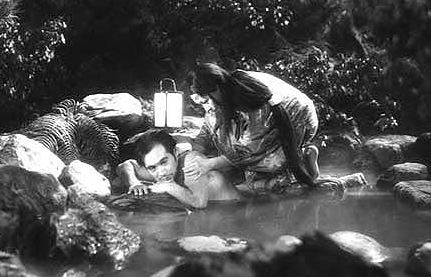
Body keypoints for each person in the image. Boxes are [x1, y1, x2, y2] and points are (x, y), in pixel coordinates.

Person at [185, 62, 320, 190]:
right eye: (201, 102)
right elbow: (210, 126)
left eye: (206, 100)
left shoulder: (248, 99)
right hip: (269, 118)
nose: (206, 106)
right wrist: (196, 150)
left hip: (298, 115)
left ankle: (303, 158)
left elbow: (249, 149)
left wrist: (209, 164)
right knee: (250, 174)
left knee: (270, 167)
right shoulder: (221, 93)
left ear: (216, 89)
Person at [116, 128, 241, 209]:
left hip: (236, 210)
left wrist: (168, 186)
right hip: (215, 213)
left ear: (175, 153)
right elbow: (125, 166)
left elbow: (199, 203)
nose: (161, 172)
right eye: (152, 168)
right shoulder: (156, 167)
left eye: (164, 162)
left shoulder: (192, 162)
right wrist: (134, 183)